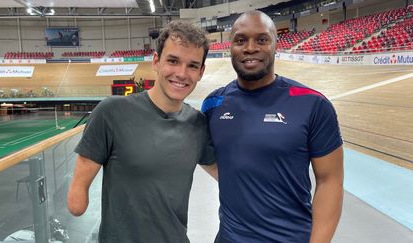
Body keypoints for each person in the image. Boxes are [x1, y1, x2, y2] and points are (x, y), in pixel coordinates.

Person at [202, 10, 344, 243]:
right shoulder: (212, 104)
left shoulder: (313, 104)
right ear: (231, 47)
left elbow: (330, 181)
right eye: (240, 40)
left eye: (261, 39)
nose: (250, 48)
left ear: (276, 45)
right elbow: (204, 153)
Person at [67, 20, 216, 243]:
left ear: (201, 71)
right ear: (156, 61)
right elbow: (77, 201)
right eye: (173, 61)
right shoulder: (111, 112)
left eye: (192, 65)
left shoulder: (199, 124)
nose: (182, 73)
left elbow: (227, 175)